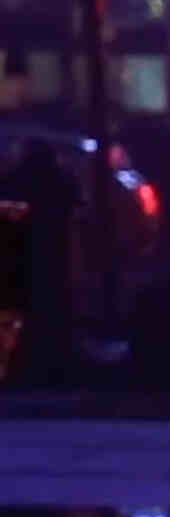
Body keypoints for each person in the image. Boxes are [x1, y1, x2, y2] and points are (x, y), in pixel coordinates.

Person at [0, 140, 79, 384]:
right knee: (51, 313)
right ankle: (51, 365)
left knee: (28, 313)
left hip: (25, 259)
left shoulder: (16, 182)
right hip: (50, 260)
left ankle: (26, 366)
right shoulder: (60, 183)